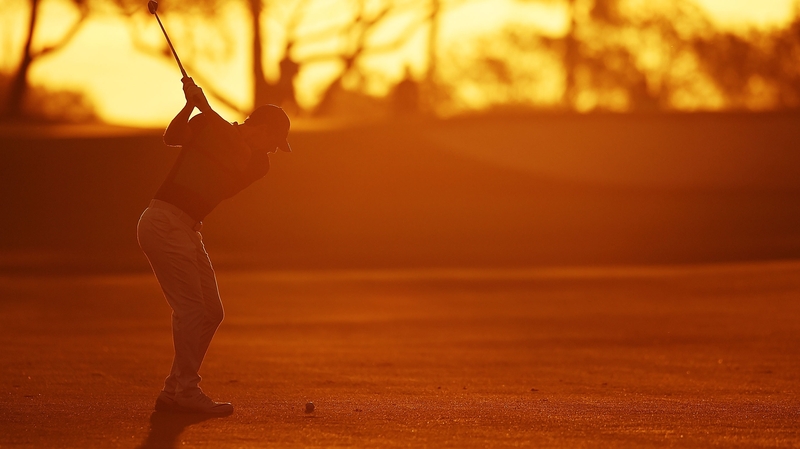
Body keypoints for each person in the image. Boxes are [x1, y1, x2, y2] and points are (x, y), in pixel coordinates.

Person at [137, 77, 291, 415]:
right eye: (274, 141)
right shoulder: (207, 124)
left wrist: (205, 106)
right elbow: (172, 137)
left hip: (187, 229)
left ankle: (175, 389)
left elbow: (235, 150)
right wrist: (190, 106)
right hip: (162, 221)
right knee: (192, 310)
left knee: (211, 312)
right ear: (262, 128)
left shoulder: (258, 163)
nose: (272, 150)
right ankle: (186, 391)